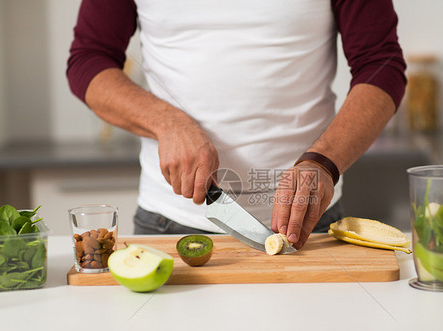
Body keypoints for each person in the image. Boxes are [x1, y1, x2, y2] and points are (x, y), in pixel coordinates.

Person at [67, 0, 406, 249]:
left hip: (310, 222)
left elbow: (381, 64)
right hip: (168, 222)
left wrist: (324, 161)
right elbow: (89, 59)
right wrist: (167, 122)